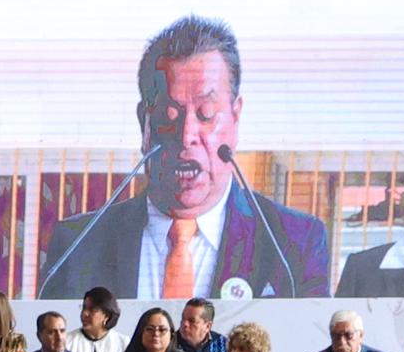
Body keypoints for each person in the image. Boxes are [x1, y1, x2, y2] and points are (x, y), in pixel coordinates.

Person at [37, 15, 331, 299]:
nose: (186, 134)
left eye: (206, 114)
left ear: (235, 116)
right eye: (169, 115)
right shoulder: (78, 245)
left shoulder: (292, 243)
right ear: (144, 123)